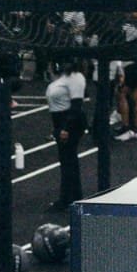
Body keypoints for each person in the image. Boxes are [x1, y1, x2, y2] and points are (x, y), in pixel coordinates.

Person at [46, 58, 87, 210]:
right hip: (60, 121)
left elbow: (76, 106)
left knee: (68, 161)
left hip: (69, 122)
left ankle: (69, 198)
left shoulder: (75, 77)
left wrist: (66, 128)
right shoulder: (63, 77)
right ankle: (71, 197)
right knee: (67, 161)